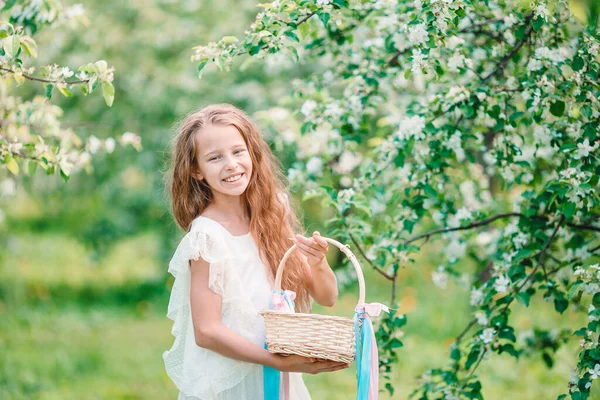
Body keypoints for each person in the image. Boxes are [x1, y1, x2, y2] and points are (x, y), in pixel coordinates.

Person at [163, 103, 349, 399]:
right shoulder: (207, 237)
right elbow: (207, 331)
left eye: (238, 151)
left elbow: (328, 297)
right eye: (215, 158)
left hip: (276, 374)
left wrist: (318, 263)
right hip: (232, 381)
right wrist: (278, 363)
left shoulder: (273, 212)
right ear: (196, 171)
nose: (231, 165)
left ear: (251, 152)